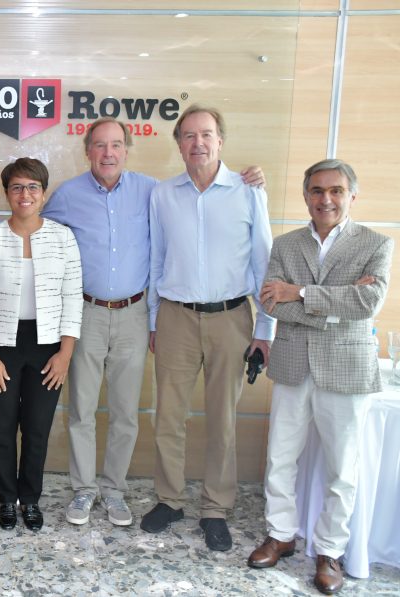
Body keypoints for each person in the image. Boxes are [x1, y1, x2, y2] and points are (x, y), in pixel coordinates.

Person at [0, 118, 264, 528]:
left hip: (133, 314)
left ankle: (113, 489)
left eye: (115, 145)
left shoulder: (153, 191)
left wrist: (250, 179)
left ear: (127, 149)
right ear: (87, 151)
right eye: (99, 145)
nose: (108, 153)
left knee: (126, 412)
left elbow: (170, 244)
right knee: (82, 410)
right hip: (85, 313)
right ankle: (83, 489)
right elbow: (28, 221)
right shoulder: (67, 195)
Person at [248, 159, 393, 595]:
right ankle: (280, 535)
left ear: (352, 195)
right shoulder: (286, 245)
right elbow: (271, 302)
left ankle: (330, 550)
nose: (325, 199)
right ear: (306, 194)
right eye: (316, 190)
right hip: (293, 365)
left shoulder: (376, 244)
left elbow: (367, 304)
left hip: (346, 369)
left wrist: (301, 293)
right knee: (280, 458)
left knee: (342, 468)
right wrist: (334, 307)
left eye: (335, 190)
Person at [142, 104, 275, 551]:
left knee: (223, 419)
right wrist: (154, 320)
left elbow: (263, 263)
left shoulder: (247, 191)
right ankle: (169, 499)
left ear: (220, 140)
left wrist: (265, 330)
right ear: (179, 143)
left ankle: (215, 508)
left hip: (231, 318)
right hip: (175, 317)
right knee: (168, 416)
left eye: (206, 134)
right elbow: (157, 260)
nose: (198, 142)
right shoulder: (163, 194)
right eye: (189, 135)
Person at [0, 158, 82, 531]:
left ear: (44, 193)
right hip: (1, 344)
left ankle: (29, 499)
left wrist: (65, 354)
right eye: (17, 187)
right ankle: (6, 499)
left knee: (37, 428)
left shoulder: (63, 238)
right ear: (6, 193)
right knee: (2, 427)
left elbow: (72, 298)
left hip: (48, 345)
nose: (25, 194)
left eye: (33, 187)